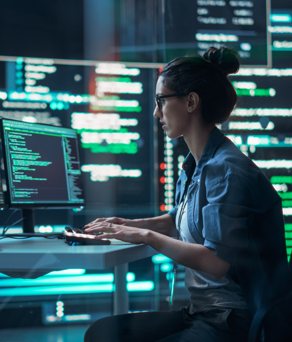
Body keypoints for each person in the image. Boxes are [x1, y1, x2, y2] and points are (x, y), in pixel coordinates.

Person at [83, 47, 291, 342]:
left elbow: (216, 262)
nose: (156, 112)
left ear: (191, 101)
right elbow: (176, 219)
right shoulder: (197, 165)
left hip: (232, 321)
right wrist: (125, 225)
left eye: (161, 101)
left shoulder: (226, 170)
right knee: (102, 334)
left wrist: (146, 237)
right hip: (202, 312)